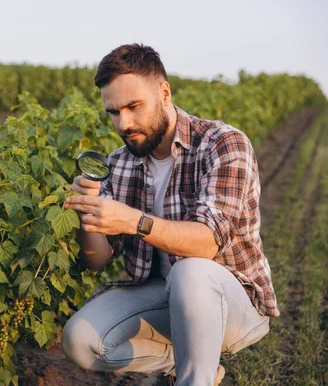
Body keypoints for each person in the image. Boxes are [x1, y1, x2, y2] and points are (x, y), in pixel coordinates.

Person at [61, 44, 279, 385]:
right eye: (114, 113)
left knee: (190, 272)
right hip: (160, 294)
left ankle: (196, 378)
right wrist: (87, 212)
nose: (124, 123)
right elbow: (97, 260)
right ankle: (192, 362)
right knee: (80, 341)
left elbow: (207, 244)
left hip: (232, 302)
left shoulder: (224, 144)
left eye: (134, 107)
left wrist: (134, 221)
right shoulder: (118, 162)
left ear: (164, 93)